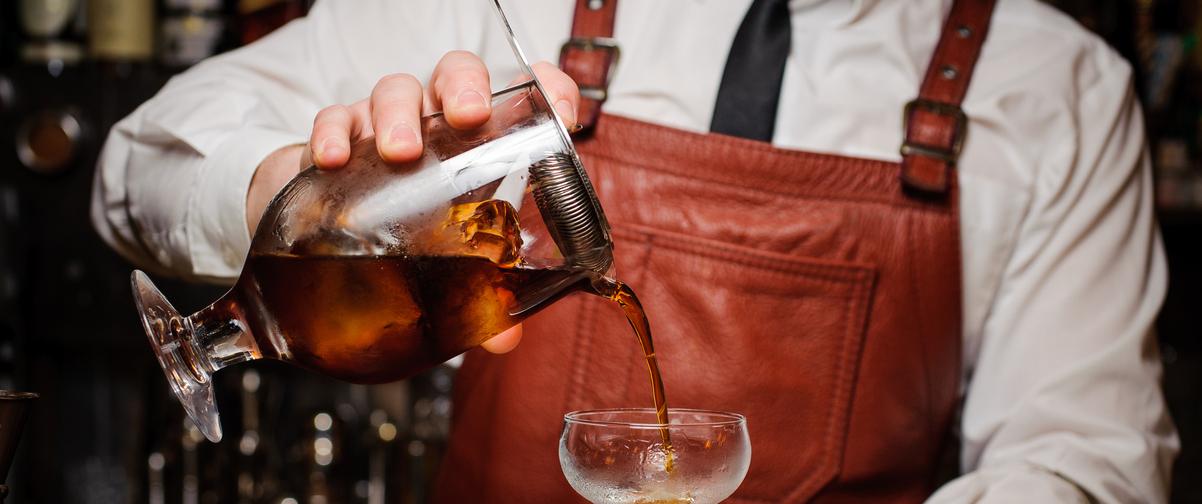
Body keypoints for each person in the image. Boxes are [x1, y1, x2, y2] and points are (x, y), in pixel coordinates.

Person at [92, 0, 1177, 502]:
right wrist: (280, 187)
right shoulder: (510, 3)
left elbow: (1086, 463)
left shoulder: (1057, 86)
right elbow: (135, 161)